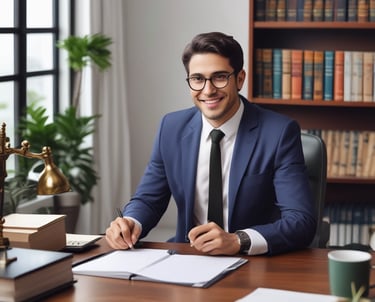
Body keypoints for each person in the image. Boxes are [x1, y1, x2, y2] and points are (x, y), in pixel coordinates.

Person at [105, 32, 316, 256]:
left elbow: (301, 221)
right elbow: (149, 199)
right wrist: (130, 222)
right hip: (188, 258)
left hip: (252, 262)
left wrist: (238, 240)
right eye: (197, 79)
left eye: (219, 77)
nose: (208, 90)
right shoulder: (171, 127)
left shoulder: (279, 132)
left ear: (240, 79)